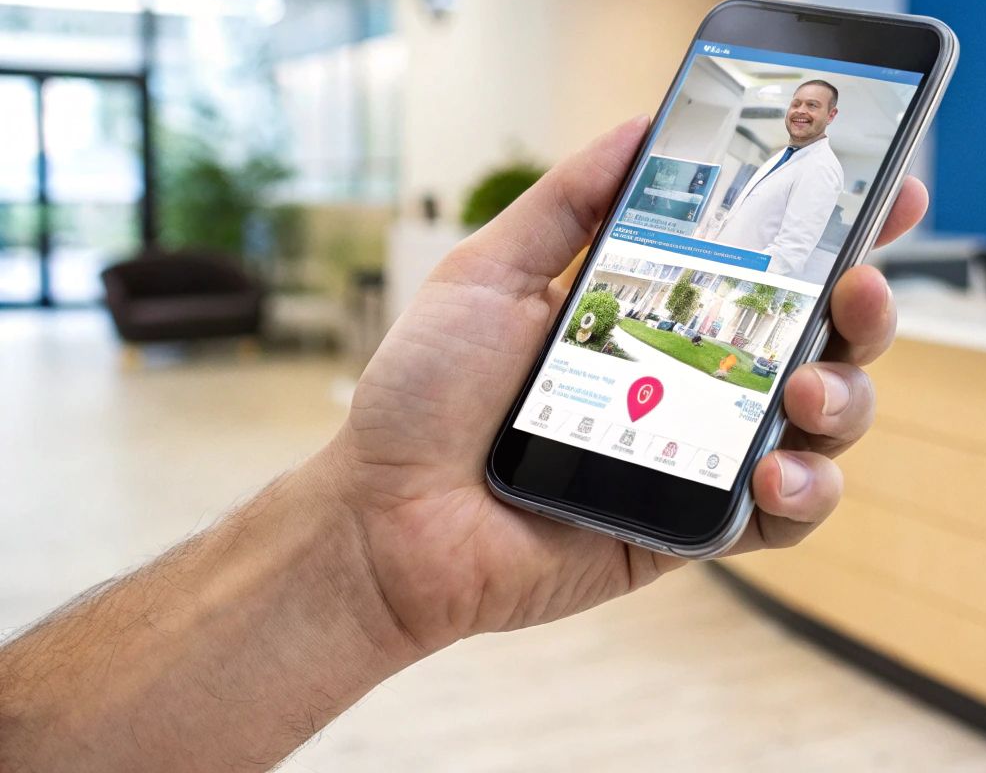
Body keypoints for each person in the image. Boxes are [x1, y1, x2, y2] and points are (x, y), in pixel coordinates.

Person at [0, 116, 929, 771]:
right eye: (797, 99)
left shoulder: (817, 173)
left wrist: (367, 556)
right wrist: (365, 546)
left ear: (834, 116)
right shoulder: (772, 156)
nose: (803, 108)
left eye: (816, 103)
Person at [709, 79, 845, 277]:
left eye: (812, 105)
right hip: (718, 269)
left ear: (831, 115)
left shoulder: (822, 168)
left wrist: (732, 283)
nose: (801, 111)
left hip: (735, 280)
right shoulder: (785, 154)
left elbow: (789, 254)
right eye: (796, 104)